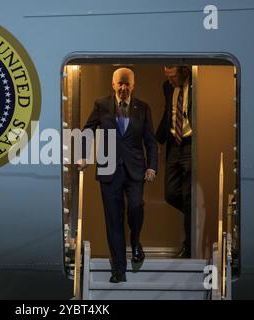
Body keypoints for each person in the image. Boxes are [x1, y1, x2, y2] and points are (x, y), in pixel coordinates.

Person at [78, 68, 158, 283]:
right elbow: (88, 130)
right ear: (113, 85)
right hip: (108, 169)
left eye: (127, 84)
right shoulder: (101, 104)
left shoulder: (143, 107)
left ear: (133, 85)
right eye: (119, 84)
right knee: (113, 220)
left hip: (135, 169)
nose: (123, 88)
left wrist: (152, 167)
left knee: (135, 206)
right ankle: (119, 269)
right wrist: (82, 156)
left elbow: (150, 141)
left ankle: (135, 239)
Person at [156, 66, 192, 258]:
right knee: (171, 194)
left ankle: (188, 246)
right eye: (167, 77)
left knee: (188, 196)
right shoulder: (168, 87)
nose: (170, 81)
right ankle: (192, 213)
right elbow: (167, 114)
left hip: (190, 143)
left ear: (184, 72)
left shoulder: (195, 85)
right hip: (173, 143)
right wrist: (158, 140)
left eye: (173, 77)